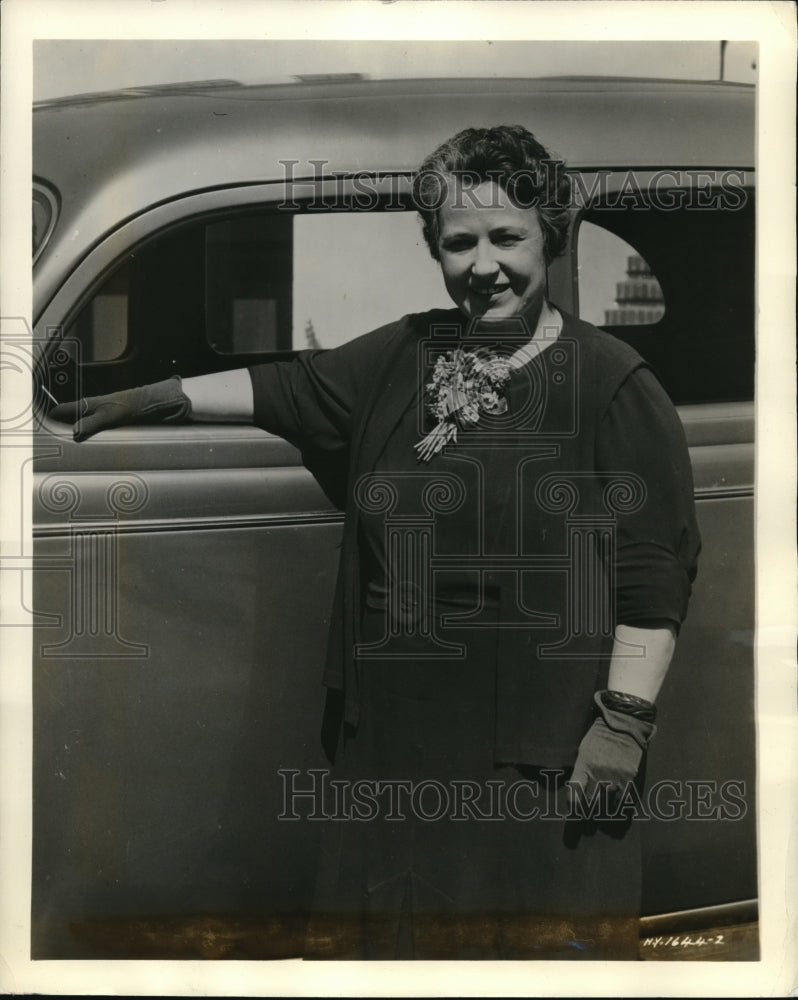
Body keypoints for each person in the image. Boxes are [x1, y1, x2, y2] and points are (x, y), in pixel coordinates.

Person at [50, 124, 700, 960]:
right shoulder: (408, 353)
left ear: (552, 238)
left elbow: (654, 575)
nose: (483, 265)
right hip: (397, 744)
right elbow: (284, 387)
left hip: (535, 754)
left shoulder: (611, 382)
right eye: (458, 242)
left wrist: (623, 724)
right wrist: (151, 397)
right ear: (434, 249)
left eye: (507, 237)